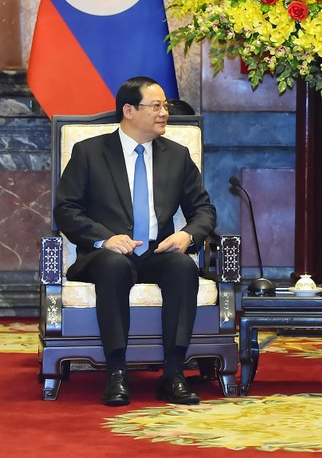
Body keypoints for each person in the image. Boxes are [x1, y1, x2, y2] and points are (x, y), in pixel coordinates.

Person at [54, 76, 216, 406]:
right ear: (129, 110)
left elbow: (204, 210)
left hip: (157, 251)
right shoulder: (90, 152)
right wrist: (104, 239)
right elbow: (66, 209)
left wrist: (187, 235)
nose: (163, 113)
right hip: (105, 255)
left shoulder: (178, 155)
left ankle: (173, 374)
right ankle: (116, 373)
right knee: (114, 265)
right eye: (155, 106)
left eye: (165, 107)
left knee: (183, 266)